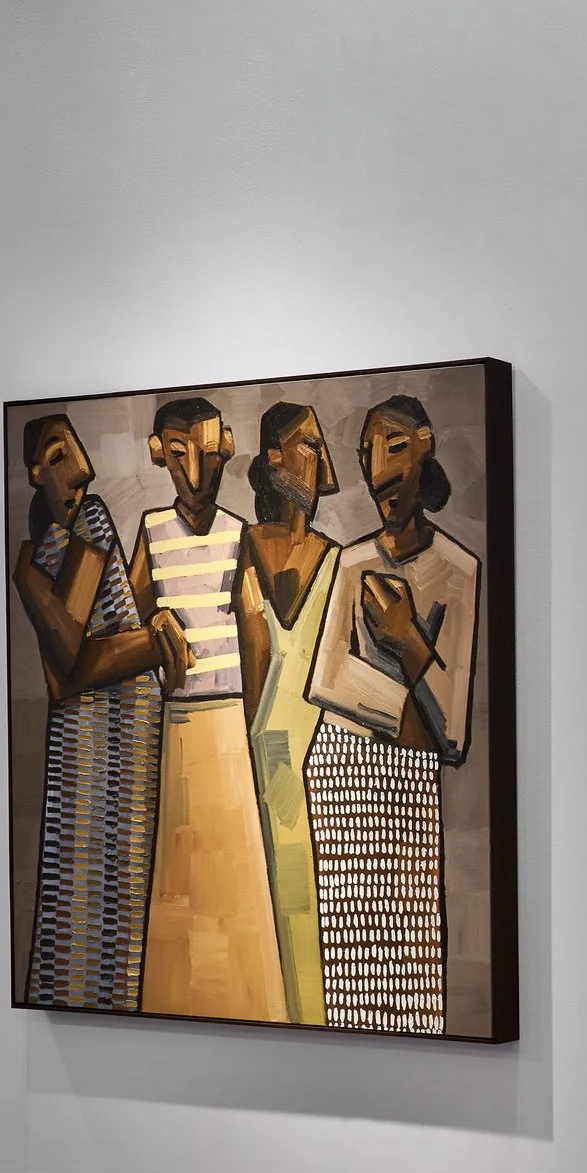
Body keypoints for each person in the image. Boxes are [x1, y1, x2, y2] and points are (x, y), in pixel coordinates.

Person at [306, 396, 481, 1035]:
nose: (380, 468)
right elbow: (326, 681)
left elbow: (453, 730)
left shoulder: (458, 570)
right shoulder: (351, 563)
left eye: (397, 446)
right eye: (368, 455)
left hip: (409, 789)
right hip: (341, 777)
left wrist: (406, 640)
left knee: (409, 976)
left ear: (426, 445)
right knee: (348, 973)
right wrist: (411, 700)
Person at [10, 414, 186, 1012]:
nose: (81, 469)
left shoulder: (91, 524)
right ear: (35, 472)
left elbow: (89, 645)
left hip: (131, 735)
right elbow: (70, 666)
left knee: (124, 901)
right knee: (79, 896)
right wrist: (153, 642)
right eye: (59, 455)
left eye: (76, 452)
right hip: (85, 748)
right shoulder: (43, 557)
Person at [130, 398, 290, 1021]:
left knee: (234, 883)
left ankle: (246, 1008)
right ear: (159, 455)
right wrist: (152, 629)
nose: (194, 473)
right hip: (172, 731)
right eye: (178, 455)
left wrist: (243, 730)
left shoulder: (236, 533)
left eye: (204, 454)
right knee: (178, 886)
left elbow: (256, 635)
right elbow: (130, 624)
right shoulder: (150, 532)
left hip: (225, 732)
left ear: (224, 448)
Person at [241, 402, 342, 1027]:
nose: (321, 460)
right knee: (279, 904)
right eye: (308, 444)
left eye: (321, 446)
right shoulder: (249, 546)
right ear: (273, 457)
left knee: (315, 913)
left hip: (323, 763)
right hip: (268, 753)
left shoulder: (337, 557)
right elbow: (253, 667)